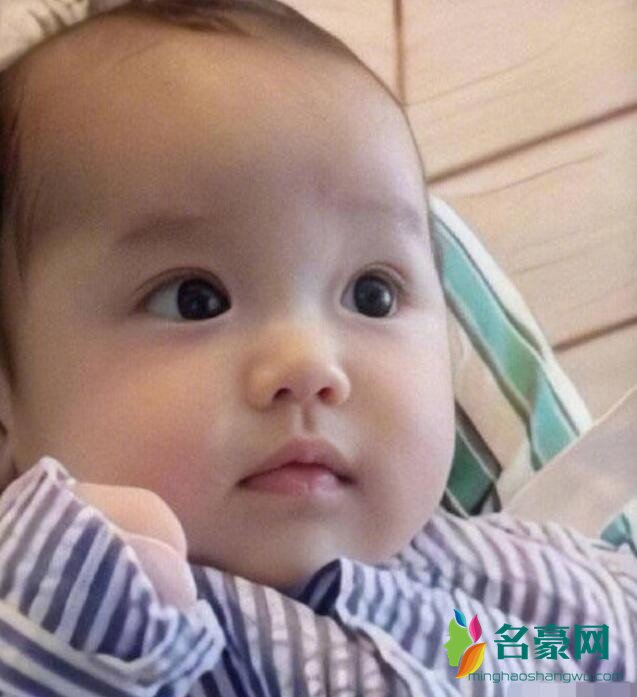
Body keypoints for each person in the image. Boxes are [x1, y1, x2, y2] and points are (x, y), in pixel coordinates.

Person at [0, 2, 634, 695]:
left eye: (372, 295)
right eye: (193, 299)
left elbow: (586, 653)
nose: (308, 363)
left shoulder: (476, 603)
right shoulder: (64, 627)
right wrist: (77, 604)